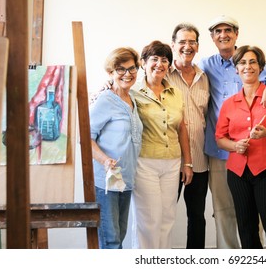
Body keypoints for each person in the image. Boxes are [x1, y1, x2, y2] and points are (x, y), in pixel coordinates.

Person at [198, 15, 266, 249]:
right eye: (217, 31)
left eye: (228, 30)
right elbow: (180, 72)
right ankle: (232, 255)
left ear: (236, 34)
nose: (223, 35)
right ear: (212, 37)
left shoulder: (248, 58)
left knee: (262, 217)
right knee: (227, 212)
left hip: (260, 157)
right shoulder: (206, 65)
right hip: (224, 153)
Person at [215, 45, 266, 249]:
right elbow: (220, 139)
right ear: (236, 69)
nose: (247, 67)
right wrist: (235, 146)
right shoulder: (229, 104)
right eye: (242, 63)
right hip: (237, 173)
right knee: (246, 227)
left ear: (261, 67)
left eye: (252, 62)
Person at [131, 40, 193, 249]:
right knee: (149, 219)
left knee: (167, 217)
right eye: (154, 59)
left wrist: (188, 163)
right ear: (143, 63)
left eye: (164, 60)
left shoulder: (175, 93)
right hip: (145, 162)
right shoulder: (132, 91)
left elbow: (182, 128)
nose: (159, 64)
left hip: (173, 163)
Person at [89, 47, 143, 249]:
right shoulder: (105, 100)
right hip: (107, 181)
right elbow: (86, 138)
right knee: (110, 240)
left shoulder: (133, 99)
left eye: (132, 68)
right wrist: (105, 161)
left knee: (119, 237)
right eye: (120, 69)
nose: (127, 74)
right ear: (110, 73)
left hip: (126, 179)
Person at [168, 23, 210, 249]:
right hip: (171, 160)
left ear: (197, 46)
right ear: (173, 45)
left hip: (199, 160)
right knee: (164, 216)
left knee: (197, 216)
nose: (187, 46)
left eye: (192, 42)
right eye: (182, 42)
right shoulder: (160, 73)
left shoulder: (205, 77)